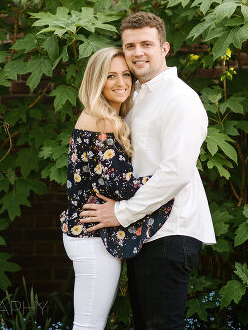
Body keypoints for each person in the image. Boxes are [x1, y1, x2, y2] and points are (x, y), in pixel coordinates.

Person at [80, 12, 216, 329]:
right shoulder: (137, 97)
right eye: (130, 46)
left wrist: (122, 213)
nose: (138, 52)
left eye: (146, 44)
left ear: (164, 48)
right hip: (145, 231)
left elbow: (177, 171)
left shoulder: (179, 99)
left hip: (170, 230)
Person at [60, 46, 174, 330]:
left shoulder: (105, 118)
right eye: (110, 76)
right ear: (97, 81)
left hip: (88, 233)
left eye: (126, 74)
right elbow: (119, 186)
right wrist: (166, 179)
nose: (121, 82)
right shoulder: (104, 121)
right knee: (89, 325)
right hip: (92, 235)